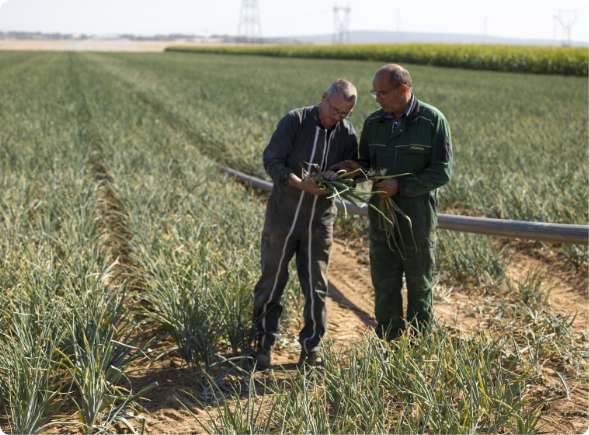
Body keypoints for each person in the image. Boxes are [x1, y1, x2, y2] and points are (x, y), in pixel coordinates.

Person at [336, 64, 452, 340]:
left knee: (418, 282)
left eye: (383, 93)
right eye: (375, 93)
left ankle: (418, 344)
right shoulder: (375, 124)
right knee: (385, 282)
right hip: (381, 216)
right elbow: (366, 165)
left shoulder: (432, 121)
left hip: (417, 218)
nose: (378, 99)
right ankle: (388, 342)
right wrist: (351, 170)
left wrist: (401, 186)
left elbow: (442, 172)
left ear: (403, 89)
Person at [251, 79, 358, 370]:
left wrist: (345, 174)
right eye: (333, 109)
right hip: (283, 217)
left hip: (318, 222)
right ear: (323, 98)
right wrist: (300, 184)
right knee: (272, 280)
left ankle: (311, 348)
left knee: (315, 286)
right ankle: (263, 342)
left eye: (343, 114)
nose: (336, 117)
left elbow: (356, 174)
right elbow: (272, 160)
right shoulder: (295, 121)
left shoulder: (347, 134)